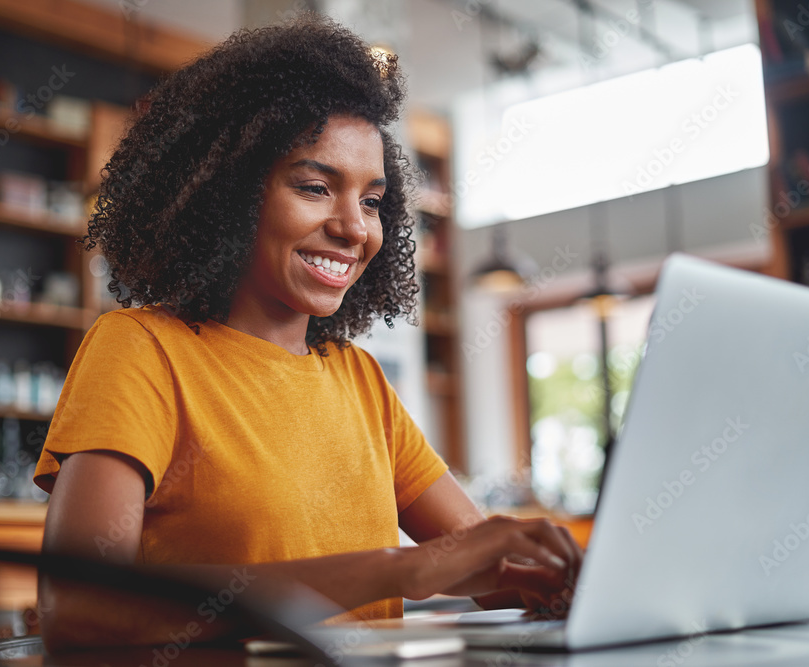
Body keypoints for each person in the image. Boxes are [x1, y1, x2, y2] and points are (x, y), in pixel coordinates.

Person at [32, 14, 582, 651]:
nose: (355, 229)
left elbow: (492, 574)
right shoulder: (142, 351)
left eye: (373, 201)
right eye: (316, 188)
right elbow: (80, 611)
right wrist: (401, 568)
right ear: (228, 195)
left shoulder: (359, 380)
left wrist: (572, 577)